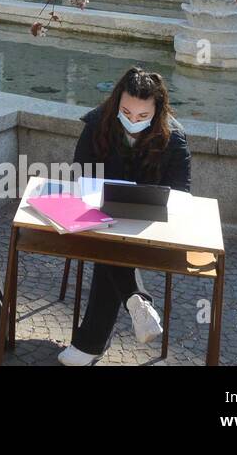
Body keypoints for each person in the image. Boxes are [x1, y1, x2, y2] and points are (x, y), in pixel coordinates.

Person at [57, 67, 191, 367]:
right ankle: (136, 301)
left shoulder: (175, 139)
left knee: (110, 247)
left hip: (149, 228)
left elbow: (182, 195)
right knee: (107, 238)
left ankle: (90, 343)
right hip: (98, 218)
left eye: (143, 116)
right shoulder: (97, 124)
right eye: (126, 111)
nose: (133, 120)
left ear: (157, 112)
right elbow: (79, 173)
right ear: (117, 102)